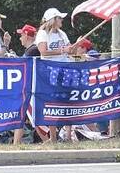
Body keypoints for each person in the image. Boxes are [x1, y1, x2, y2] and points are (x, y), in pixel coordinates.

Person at [35, 8, 76, 142]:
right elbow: (43, 52)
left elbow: (69, 49)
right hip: (50, 72)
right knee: (52, 104)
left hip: (65, 70)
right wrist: (62, 50)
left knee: (68, 102)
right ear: (53, 20)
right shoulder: (42, 33)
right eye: (59, 18)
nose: (62, 20)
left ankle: (68, 136)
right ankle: (53, 138)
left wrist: (72, 48)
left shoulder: (62, 33)